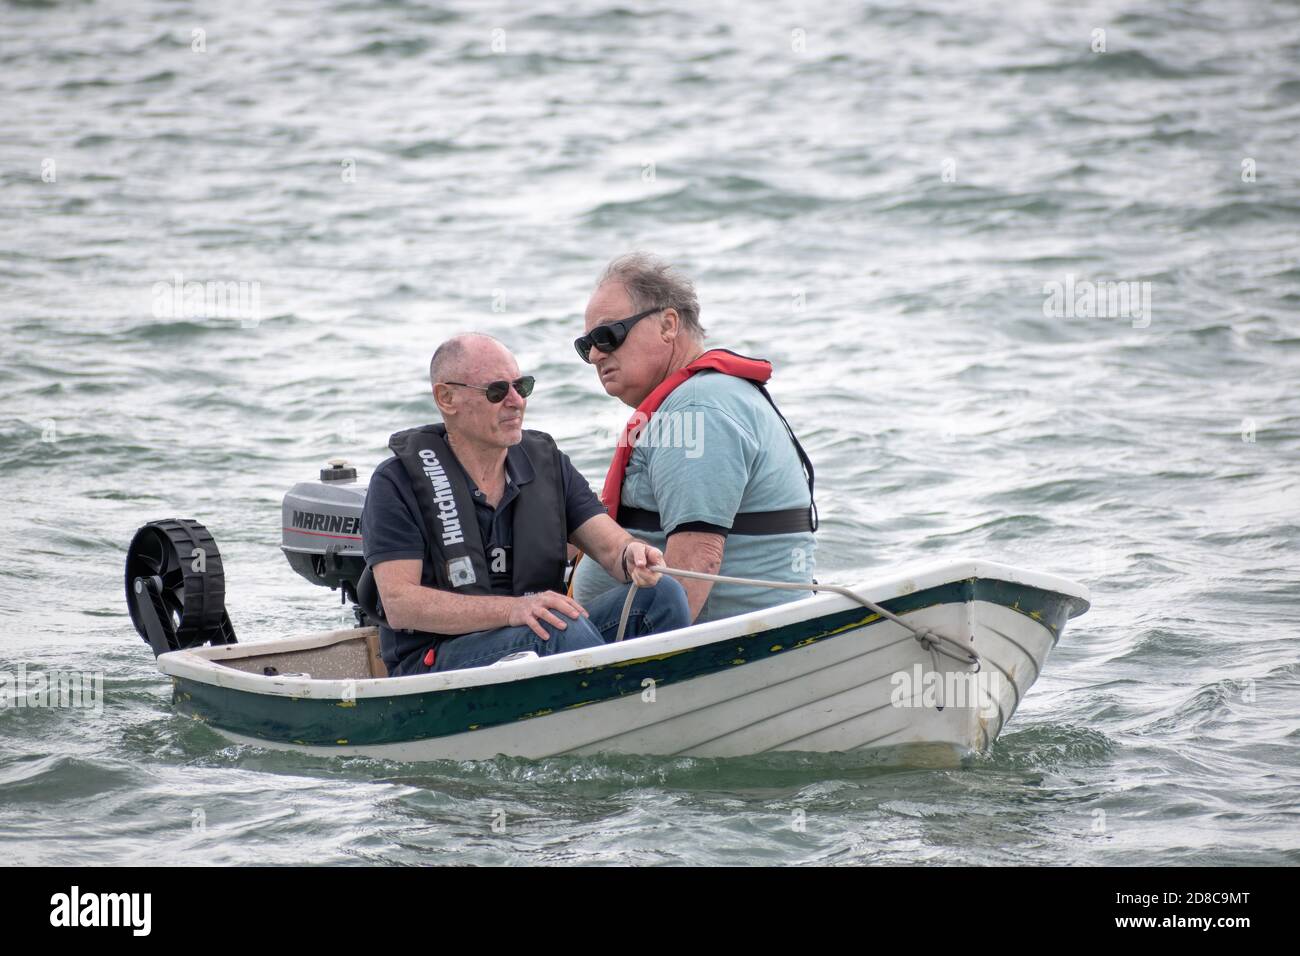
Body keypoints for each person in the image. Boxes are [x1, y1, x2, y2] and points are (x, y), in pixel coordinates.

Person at [362, 332, 691, 676]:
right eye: (497, 391)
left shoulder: (547, 464)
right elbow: (400, 603)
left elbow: (613, 548)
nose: (516, 401)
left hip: (543, 634)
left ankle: (658, 706)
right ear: (447, 398)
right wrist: (513, 610)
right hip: (439, 658)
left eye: (522, 387)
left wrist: (634, 555)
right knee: (557, 626)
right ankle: (611, 711)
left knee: (662, 594)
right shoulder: (396, 482)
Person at [571, 253, 817, 623]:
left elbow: (697, 560)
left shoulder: (695, 411)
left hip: (725, 646)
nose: (594, 354)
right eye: (585, 343)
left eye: (607, 336)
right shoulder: (700, 399)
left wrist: (648, 673)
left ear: (668, 325)